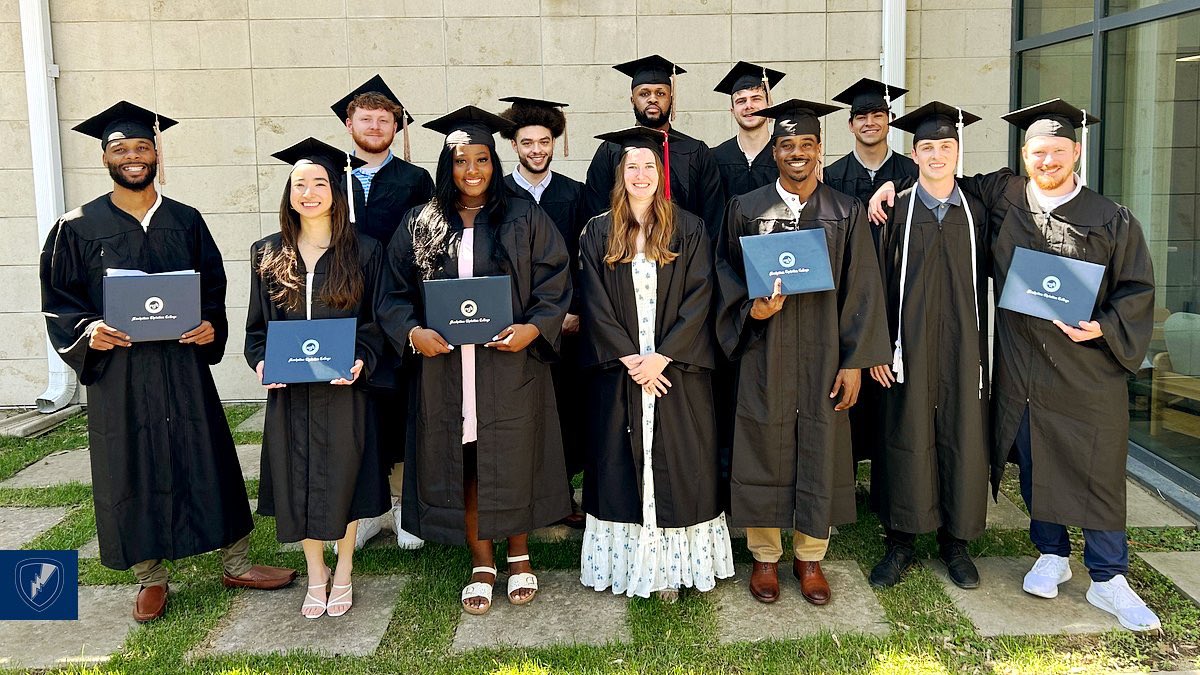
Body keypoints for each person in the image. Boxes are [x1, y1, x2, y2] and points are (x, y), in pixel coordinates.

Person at [868, 99, 1159, 631]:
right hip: (1022, 366)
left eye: (1057, 151)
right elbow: (943, 182)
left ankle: (1108, 575)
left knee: (1093, 465)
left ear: (1076, 151)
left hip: (1085, 365)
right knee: (1034, 457)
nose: (1047, 161)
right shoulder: (1005, 198)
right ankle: (1051, 552)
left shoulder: (1109, 218)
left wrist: (1105, 327)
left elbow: (1137, 288)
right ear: (1023, 155)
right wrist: (889, 184)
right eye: (1037, 152)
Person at [39, 101, 295, 623]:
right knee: (127, 464)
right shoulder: (78, 226)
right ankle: (150, 576)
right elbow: (60, 299)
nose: (132, 157)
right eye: (120, 149)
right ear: (106, 157)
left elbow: (213, 288)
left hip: (182, 367)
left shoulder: (186, 220)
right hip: (122, 371)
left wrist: (209, 326)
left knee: (207, 454)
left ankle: (237, 560)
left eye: (141, 147)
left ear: (157, 153)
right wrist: (90, 331)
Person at [376, 106, 573, 615]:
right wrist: (412, 332)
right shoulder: (422, 223)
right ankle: (482, 561)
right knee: (465, 458)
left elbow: (555, 281)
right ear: (448, 165)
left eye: (481, 159)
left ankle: (520, 553)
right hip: (446, 369)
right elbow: (392, 295)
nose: (472, 171)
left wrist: (533, 328)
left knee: (513, 456)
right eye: (461, 160)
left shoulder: (524, 216)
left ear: (494, 160)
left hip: (510, 366)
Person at [714, 99, 890, 606]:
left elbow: (863, 288)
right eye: (787, 144)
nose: (796, 153)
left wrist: (855, 361)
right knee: (762, 444)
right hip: (764, 355)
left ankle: (810, 555)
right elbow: (725, 276)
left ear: (819, 150)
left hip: (823, 356)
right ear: (774, 151)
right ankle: (765, 557)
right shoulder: (746, 209)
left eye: (806, 145)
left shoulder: (844, 210)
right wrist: (752, 313)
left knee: (821, 445)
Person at [578, 127, 734, 602]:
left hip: (676, 370)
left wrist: (662, 357)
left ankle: (674, 565)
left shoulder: (688, 227)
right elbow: (594, 300)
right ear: (619, 175)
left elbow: (700, 294)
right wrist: (630, 358)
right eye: (632, 167)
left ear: (660, 173)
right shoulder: (598, 230)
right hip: (622, 369)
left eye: (649, 166)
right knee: (618, 461)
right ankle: (632, 564)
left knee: (680, 460)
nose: (641, 175)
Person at [245, 137, 390, 619]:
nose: (309, 192)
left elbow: (376, 323)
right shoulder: (267, 253)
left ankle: (344, 567)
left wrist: (362, 360)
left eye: (320, 182)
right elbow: (255, 329)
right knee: (297, 481)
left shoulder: (364, 251)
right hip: (291, 394)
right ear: (289, 195)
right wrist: (262, 361)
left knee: (344, 477)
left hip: (342, 390)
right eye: (299, 184)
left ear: (336, 192)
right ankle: (316, 573)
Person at [865, 103, 989, 590]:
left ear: (958, 152)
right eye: (927, 147)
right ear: (913, 153)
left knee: (961, 431)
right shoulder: (895, 210)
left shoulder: (978, 211)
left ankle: (955, 542)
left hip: (963, 344)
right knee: (906, 430)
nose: (937, 155)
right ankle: (901, 541)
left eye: (945, 147)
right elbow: (871, 284)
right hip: (906, 346)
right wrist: (877, 348)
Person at [331, 75, 434, 551]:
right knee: (357, 410)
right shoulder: (330, 176)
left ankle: (401, 505)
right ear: (349, 123)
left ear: (397, 126)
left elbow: (428, 245)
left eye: (384, 120)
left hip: (399, 307)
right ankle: (367, 511)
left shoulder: (416, 181)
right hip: (343, 312)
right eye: (366, 119)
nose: (375, 127)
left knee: (402, 407)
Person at [498, 96, 588, 528]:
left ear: (555, 142)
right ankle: (521, 494)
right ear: (513, 145)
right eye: (527, 141)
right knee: (517, 412)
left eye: (545, 140)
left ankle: (564, 493)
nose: (537, 149)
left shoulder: (575, 194)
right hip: (512, 326)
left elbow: (590, 258)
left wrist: (577, 311)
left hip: (565, 324)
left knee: (568, 409)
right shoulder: (498, 195)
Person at [825, 78, 920, 472]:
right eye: (861, 116)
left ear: (890, 120)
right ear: (850, 125)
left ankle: (889, 476)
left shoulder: (912, 172)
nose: (869, 122)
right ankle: (845, 475)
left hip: (900, 293)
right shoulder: (831, 175)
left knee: (891, 390)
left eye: (877, 115)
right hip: (848, 293)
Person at [583, 55, 725, 242]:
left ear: (671, 99)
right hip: (625, 254)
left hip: (684, 256)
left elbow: (713, 217)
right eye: (644, 93)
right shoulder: (610, 150)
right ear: (632, 100)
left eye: (660, 93)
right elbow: (596, 211)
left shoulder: (695, 151)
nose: (652, 99)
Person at [711, 61, 786, 199]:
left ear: (769, 105)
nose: (749, 106)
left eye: (756, 98)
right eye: (741, 101)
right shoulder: (714, 158)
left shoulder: (785, 156)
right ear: (732, 111)